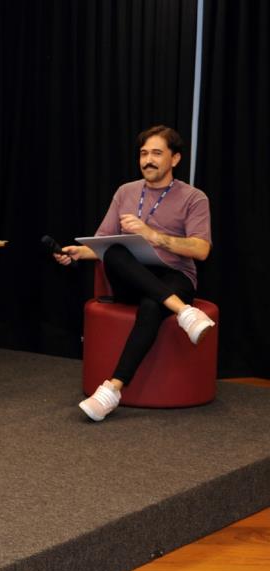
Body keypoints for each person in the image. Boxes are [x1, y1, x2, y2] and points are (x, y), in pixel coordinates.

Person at [55, 125, 214, 422]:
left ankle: (113, 388)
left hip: (174, 275)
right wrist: (80, 253)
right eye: (143, 153)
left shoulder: (194, 198)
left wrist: (154, 236)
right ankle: (184, 313)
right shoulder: (125, 192)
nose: (148, 160)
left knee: (153, 304)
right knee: (114, 251)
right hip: (131, 278)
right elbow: (103, 243)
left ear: (175, 159)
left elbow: (201, 249)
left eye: (156, 153)